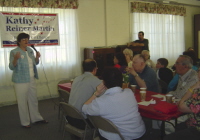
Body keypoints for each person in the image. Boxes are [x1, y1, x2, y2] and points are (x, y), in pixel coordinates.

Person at [82, 67, 146, 140]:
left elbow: (84, 109)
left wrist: (96, 93)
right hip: (139, 134)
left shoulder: (102, 101)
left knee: (101, 130)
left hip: (121, 137)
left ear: (104, 82)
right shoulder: (129, 92)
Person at [9, 33, 47, 128]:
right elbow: (11, 67)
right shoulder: (14, 52)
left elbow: (35, 63)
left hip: (31, 79)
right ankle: (25, 122)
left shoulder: (30, 50)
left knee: (33, 99)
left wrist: (37, 57)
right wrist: (16, 59)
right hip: (20, 81)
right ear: (19, 42)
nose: (26, 41)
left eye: (27, 39)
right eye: (23, 40)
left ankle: (36, 118)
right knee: (22, 102)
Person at [164, 68, 200, 140]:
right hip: (191, 121)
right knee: (178, 126)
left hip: (196, 128)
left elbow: (181, 107)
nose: (197, 74)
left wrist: (193, 87)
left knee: (168, 137)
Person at [68, 59, 102, 129]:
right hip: (83, 120)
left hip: (70, 116)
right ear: (95, 69)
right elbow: (106, 96)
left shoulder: (76, 79)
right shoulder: (96, 81)